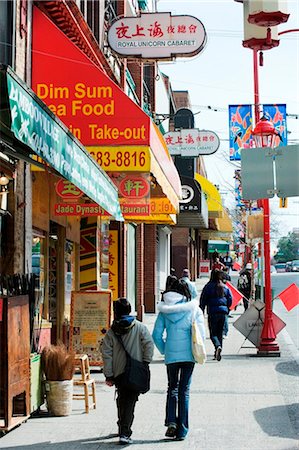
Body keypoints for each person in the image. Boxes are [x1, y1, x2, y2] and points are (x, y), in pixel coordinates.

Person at [152, 279, 205, 441]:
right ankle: (182, 430)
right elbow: (201, 335)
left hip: (171, 356)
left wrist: (165, 349)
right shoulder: (193, 309)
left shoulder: (164, 311)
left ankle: (171, 422)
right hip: (189, 355)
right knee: (184, 391)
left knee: (172, 388)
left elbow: (156, 335)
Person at [101, 298, 154, 445]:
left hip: (119, 372)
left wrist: (109, 374)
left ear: (115, 312)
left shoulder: (112, 331)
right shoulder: (139, 327)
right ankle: (125, 432)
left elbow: (107, 354)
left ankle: (122, 427)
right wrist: (145, 361)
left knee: (122, 399)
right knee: (130, 401)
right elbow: (149, 344)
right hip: (135, 371)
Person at [200, 269, 232, 361]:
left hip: (212, 312)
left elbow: (203, 299)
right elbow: (230, 298)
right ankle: (218, 351)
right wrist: (227, 308)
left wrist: (201, 310)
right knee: (220, 333)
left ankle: (217, 346)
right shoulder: (224, 287)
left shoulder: (208, 286)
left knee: (213, 333)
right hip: (223, 312)